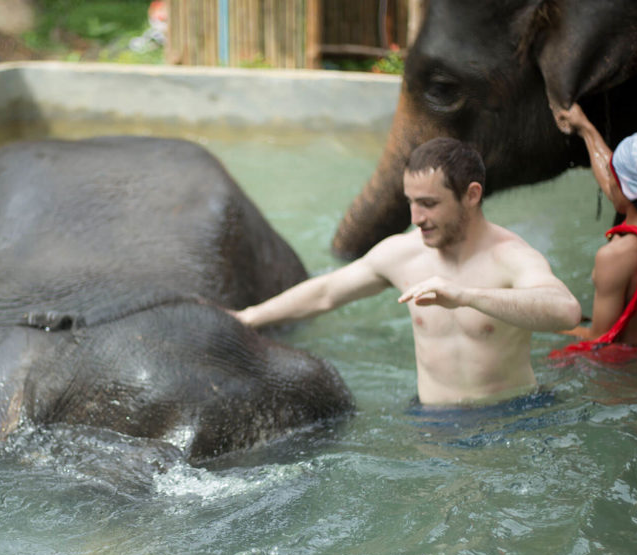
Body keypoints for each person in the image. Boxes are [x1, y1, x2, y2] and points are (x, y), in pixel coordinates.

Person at [232, 137, 581, 406]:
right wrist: (248, 317)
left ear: (472, 195)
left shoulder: (510, 257)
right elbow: (326, 293)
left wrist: (466, 296)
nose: (415, 218)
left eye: (429, 204)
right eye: (411, 202)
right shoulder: (403, 254)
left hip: (513, 414)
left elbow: (565, 311)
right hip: (434, 420)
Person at [551, 104, 637, 357]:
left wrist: (554, 327)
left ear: (624, 187)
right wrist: (585, 128)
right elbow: (616, 180)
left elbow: (600, 343)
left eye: (613, 176)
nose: (607, 181)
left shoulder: (615, 255)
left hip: (624, 376)